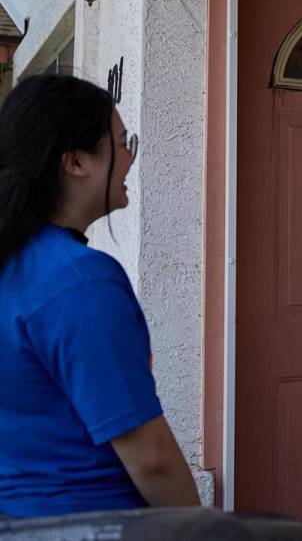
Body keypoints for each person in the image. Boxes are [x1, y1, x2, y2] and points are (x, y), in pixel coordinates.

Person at [0, 75, 199, 517]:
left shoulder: (15, 266)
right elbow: (153, 462)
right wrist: (198, 528)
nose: (130, 157)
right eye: (122, 143)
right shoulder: (79, 283)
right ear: (75, 162)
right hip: (91, 521)